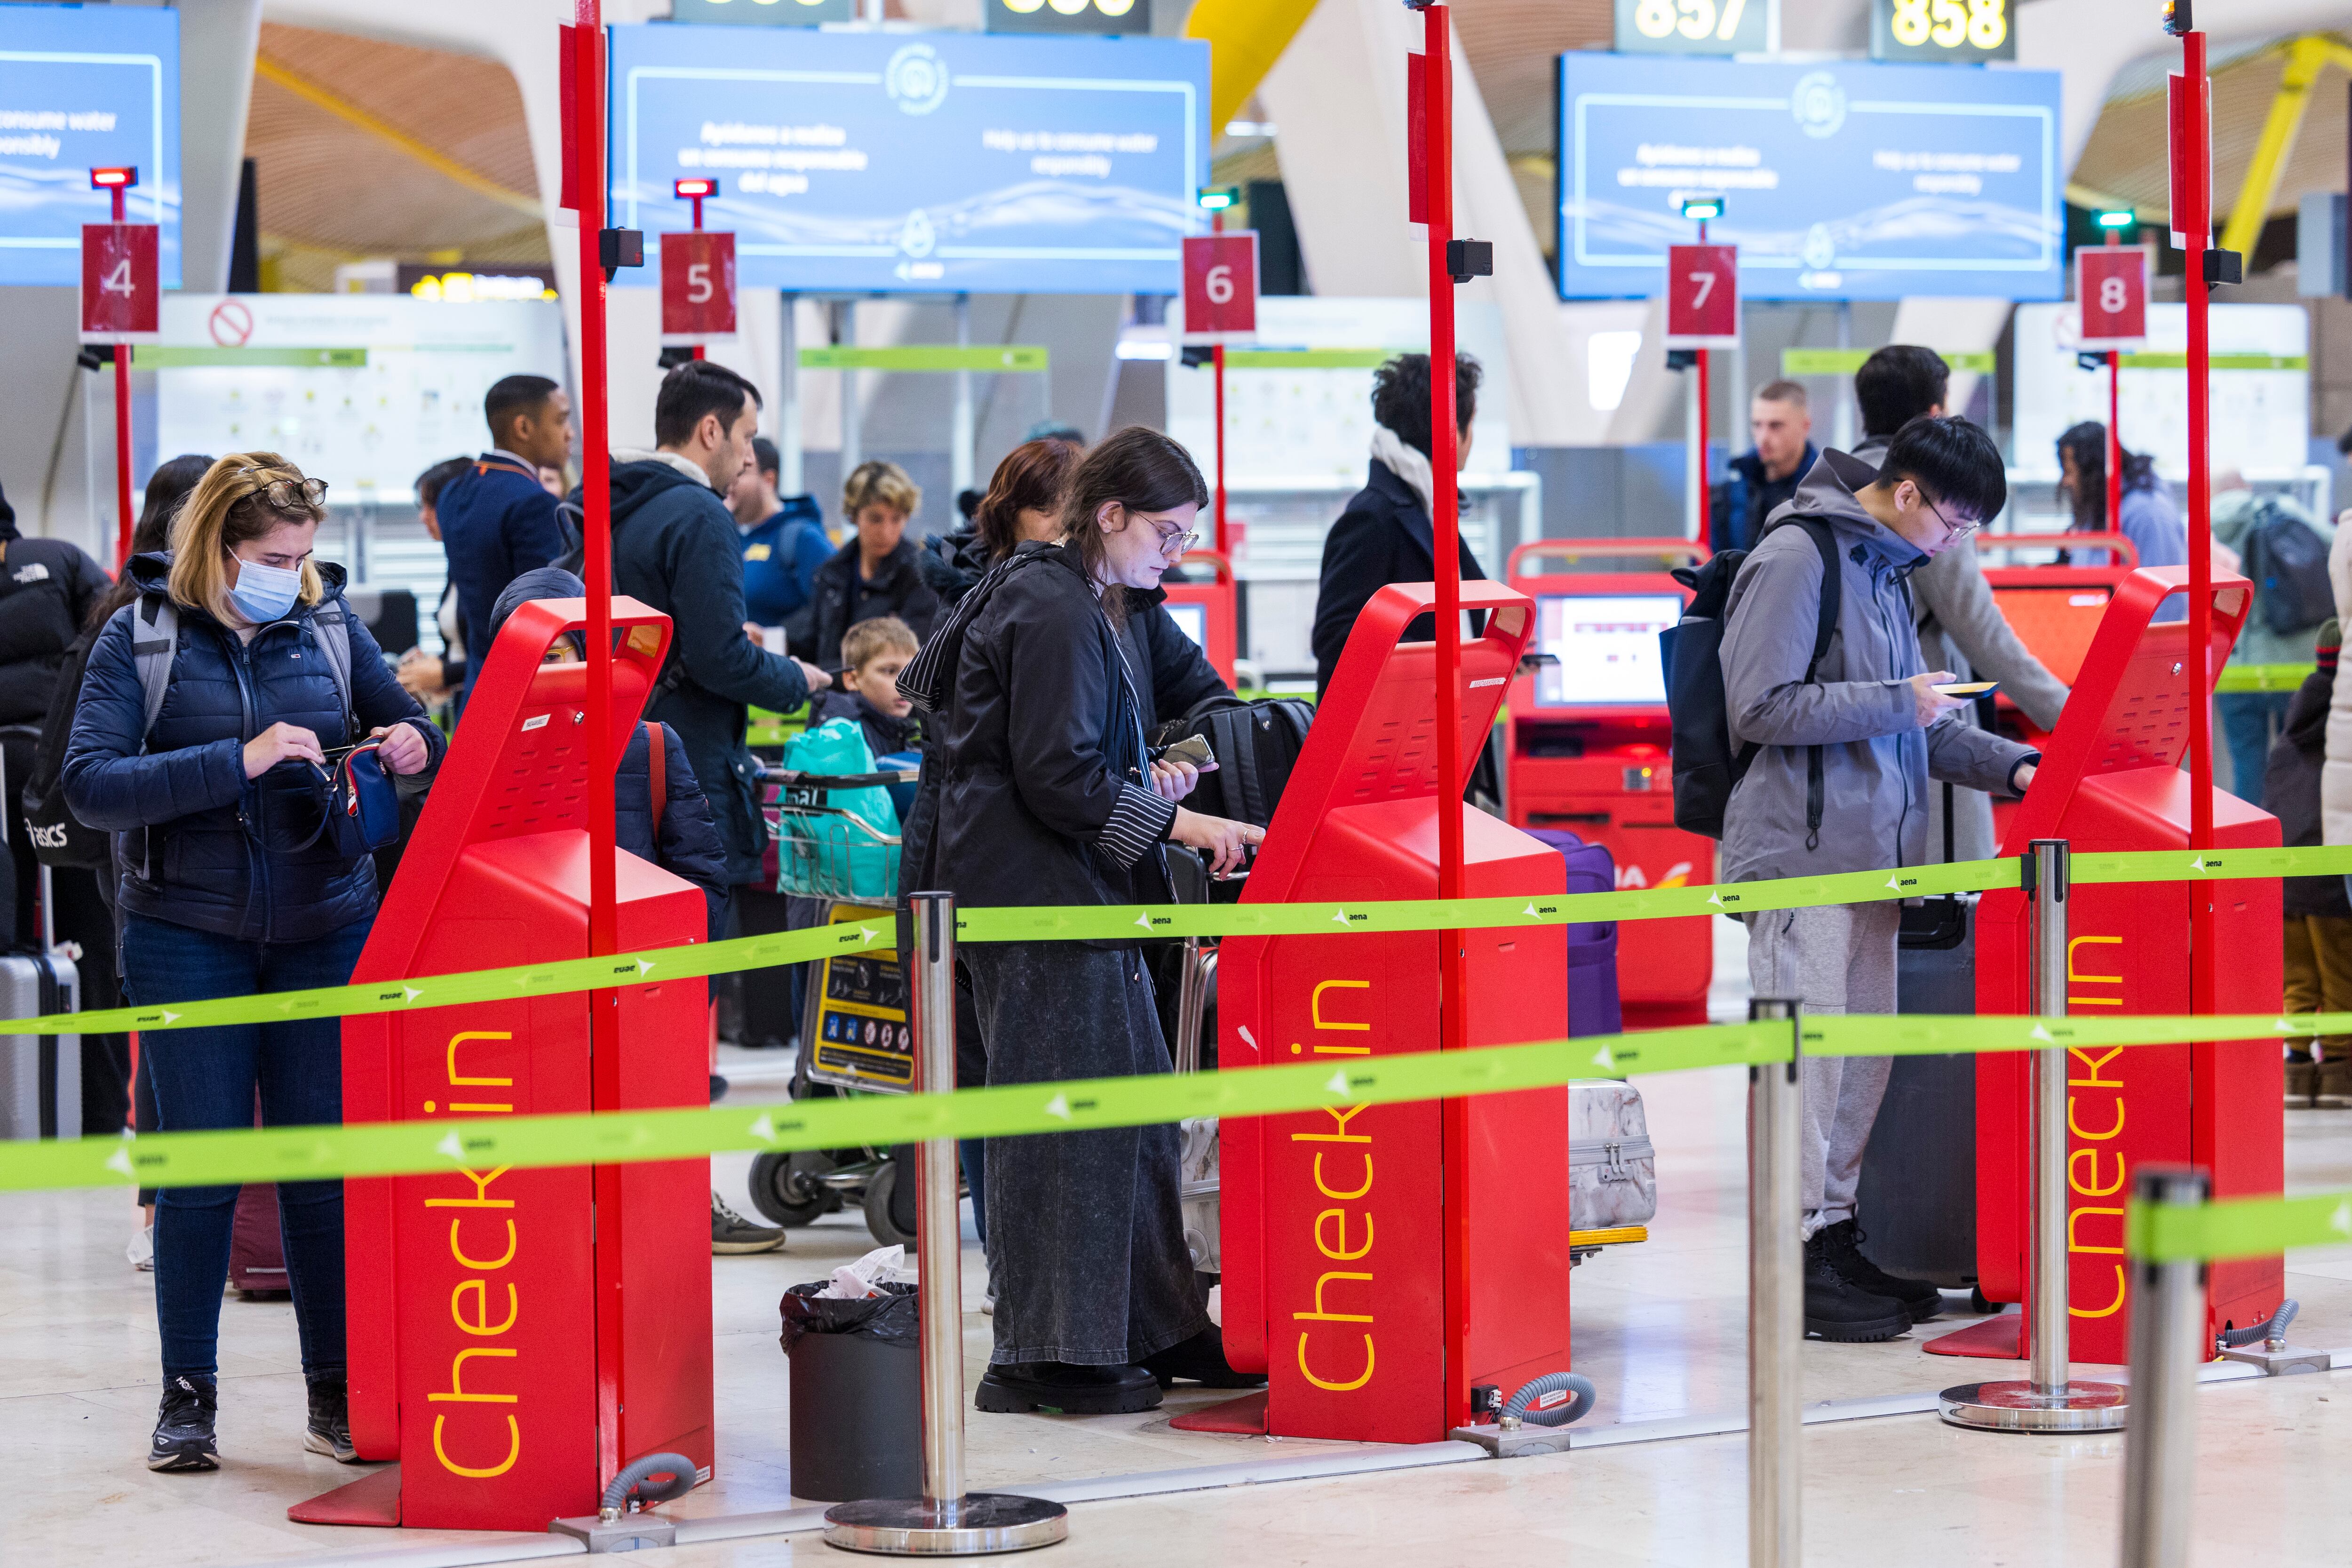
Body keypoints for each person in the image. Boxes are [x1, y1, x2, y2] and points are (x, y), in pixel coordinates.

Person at [61, 454, 445, 1473]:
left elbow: (405, 718)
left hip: (326, 922)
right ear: (216, 548)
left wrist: (413, 740)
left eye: (305, 555)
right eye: (274, 556)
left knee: (322, 1171)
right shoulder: (136, 636)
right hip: (186, 932)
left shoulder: (322, 622)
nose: (294, 571)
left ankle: (337, 1390)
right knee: (204, 1172)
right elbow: (90, 785)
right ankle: (187, 1400)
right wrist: (238, 759)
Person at [901, 426, 1264, 1414]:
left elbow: (1065, 757)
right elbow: (1054, 774)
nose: (1175, 552)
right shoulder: (1049, 603)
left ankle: (1157, 1321)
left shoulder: (1081, 598)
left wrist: (1149, 783)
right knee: (1064, 1132)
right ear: (1109, 514)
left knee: (1130, 1118)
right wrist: (1185, 821)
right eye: (1166, 530)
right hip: (1027, 897)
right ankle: (1044, 1355)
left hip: (1069, 891)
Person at [1719, 417, 2039, 1343]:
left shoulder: (1882, 574)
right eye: (1954, 520)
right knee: (1807, 1077)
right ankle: (1792, 1260)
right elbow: (1759, 705)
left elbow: (1920, 730)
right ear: (1906, 494)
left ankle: (1834, 1238)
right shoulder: (1798, 558)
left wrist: (2017, 765)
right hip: (1800, 863)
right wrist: (1896, 699)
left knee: (1858, 1073)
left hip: (1872, 862)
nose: (1955, 540)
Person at [484, 566, 781, 1253]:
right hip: (535, 998)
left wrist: (674, 976)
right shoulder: (483, 749)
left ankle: (685, 1202)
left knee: (656, 1119)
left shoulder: (650, 744)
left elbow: (702, 875)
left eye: (579, 648)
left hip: (638, 984)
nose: (568, 668)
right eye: (548, 652)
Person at [19, 454, 211, 1274]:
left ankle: (161, 1206)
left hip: (139, 854)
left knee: (164, 1027)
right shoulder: (141, 619)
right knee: (170, 1033)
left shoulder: (118, 607)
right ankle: (155, 1207)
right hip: (144, 853)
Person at [606, 359, 829, 896]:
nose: (751, 456)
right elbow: (718, 657)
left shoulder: (612, 504)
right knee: (694, 950)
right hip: (685, 771)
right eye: (747, 436)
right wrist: (797, 679)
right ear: (711, 430)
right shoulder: (699, 514)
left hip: (621, 750)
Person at [1853, 346, 2067, 859]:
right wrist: (2068, 714)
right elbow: (1975, 625)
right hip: (1926, 718)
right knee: (1938, 900)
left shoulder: (1841, 484)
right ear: (1933, 414)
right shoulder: (1927, 495)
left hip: (1853, 735)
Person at [1310, 351, 1488, 698]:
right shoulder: (1373, 516)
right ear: (1453, 428)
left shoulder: (1428, 506)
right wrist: (1436, 664)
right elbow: (1337, 640)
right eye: (1473, 423)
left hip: (1436, 728)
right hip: (1402, 736)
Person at [0, 476, 114, 946]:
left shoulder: (57, 560)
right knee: (85, 904)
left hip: (9, 774)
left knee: (13, 914)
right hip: (64, 764)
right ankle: (95, 1011)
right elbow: (116, 635)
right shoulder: (61, 558)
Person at [433, 374, 575, 694]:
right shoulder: (535, 503)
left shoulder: (453, 492)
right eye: (561, 420)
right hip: (526, 690)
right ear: (524, 428)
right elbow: (551, 611)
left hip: (477, 684)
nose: (570, 433)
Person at [2266, 620, 2352, 1107]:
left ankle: (2296, 1071)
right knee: (2341, 978)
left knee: (2298, 980)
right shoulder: (2340, 738)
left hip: (2285, 877)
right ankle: (2339, 1075)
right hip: (2327, 882)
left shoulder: (2292, 731)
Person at [2211, 478, 2334, 803]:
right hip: (2294, 661)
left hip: (2233, 668)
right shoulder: (2285, 510)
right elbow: (2336, 547)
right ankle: (2289, 839)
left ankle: (2249, 843)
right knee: (2293, 760)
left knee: (2247, 765)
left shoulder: (2204, 528)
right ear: (2246, 486)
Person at [808, 461, 943, 669]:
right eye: (875, 519)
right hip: (832, 694)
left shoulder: (920, 575)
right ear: (853, 516)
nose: (886, 531)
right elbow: (813, 642)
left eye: (896, 519)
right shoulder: (832, 572)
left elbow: (916, 658)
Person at [726, 435, 832, 654]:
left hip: (787, 673)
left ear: (769, 480)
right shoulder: (737, 539)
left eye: (741, 472)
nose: (730, 482)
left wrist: (775, 639)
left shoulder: (803, 537)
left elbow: (831, 609)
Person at [395, 456, 476, 706]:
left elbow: (497, 656)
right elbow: (462, 650)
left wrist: (443, 673)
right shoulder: (456, 561)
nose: (423, 516)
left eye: (431, 505)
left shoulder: (481, 563)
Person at [2056, 421, 2185, 571]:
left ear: (2093, 474)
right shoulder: (2100, 508)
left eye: (2070, 472)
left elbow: (2164, 587)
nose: (2066, 482)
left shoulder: (2148, 515)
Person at [1712, 381, 1817, 556]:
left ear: (1804, 427)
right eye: (1757, 425)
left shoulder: (1824, 494)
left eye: (1775, 426)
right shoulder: (1729, 496)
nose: (1763, 437)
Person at [811, 615, 920, 760]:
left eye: (913, 671)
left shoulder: (904, 731)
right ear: (852, 679)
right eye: (889, 671)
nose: (907, 683)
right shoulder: (843, 735)